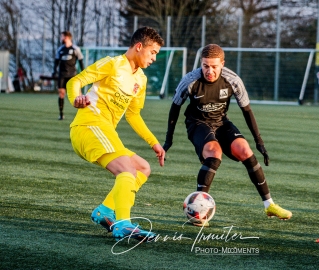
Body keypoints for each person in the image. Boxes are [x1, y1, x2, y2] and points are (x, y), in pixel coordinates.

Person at [163, 44, 292, 227]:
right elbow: (175, 108)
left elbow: (247, 110)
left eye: (214, 66)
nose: (209, 71)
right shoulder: (190, 81)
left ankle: (269, 205)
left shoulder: (233, 80)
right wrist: (168, 140)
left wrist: (259, 142)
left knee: (245, 151)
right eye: (205, 66)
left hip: (222, 122)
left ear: (222, 63)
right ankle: (198, 213)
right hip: (197, 124)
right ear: (201, 63)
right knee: (215, 154)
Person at [66, 27, 165, 241]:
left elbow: (134, 115)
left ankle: (105, 211)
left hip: (105, 132)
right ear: (139, 47)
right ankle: (124, 225)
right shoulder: (112, 64)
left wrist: (154, 142)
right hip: (88, 127)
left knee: (142, 168)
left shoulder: (141, 79)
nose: (154, 58)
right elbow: (74, 81)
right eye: (153, 52)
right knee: (127, 170)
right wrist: (76, 98)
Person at [53, 31, 84, 120]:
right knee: (61, 93)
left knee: (78, 94)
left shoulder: (75, 49)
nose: (61, 38)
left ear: (67, 37)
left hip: (72, 75)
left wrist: (83, 72)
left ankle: (81, 114)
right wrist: (54, 71)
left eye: (62, 37)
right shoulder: (60, 49)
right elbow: (56, 61)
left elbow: (81, 60)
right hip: (62, 75)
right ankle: (61, 114)